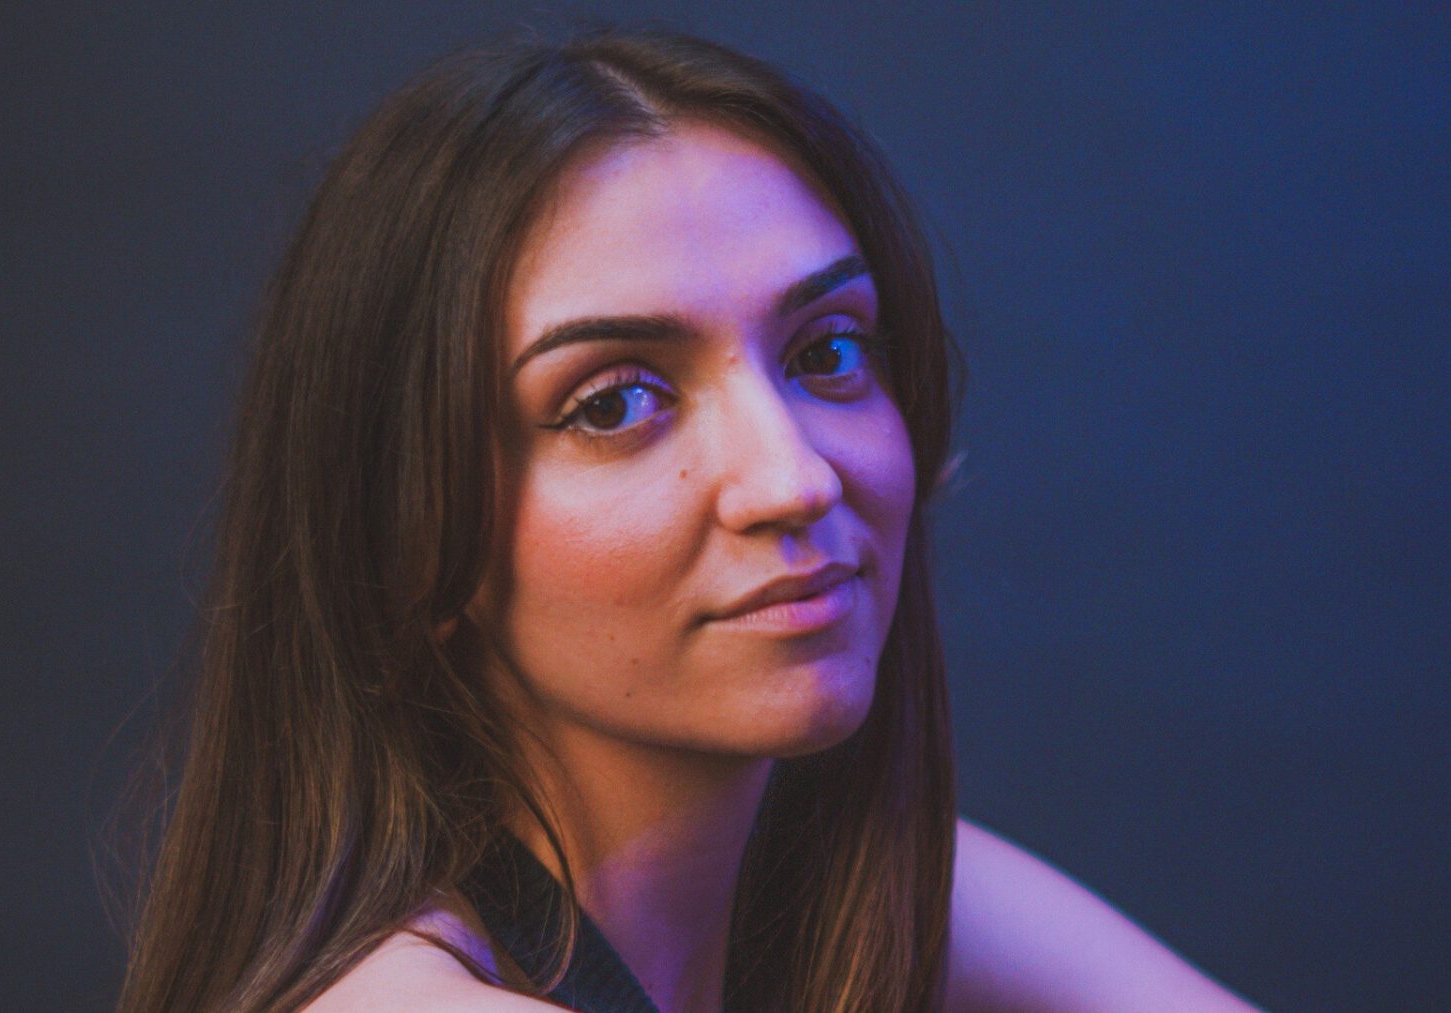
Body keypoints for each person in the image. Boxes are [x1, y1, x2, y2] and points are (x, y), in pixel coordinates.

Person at [118, 27, 1259, 1013]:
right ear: (402, 529)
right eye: (614, 403)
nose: (793, 478)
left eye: (828, 352)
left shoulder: (853, 880)